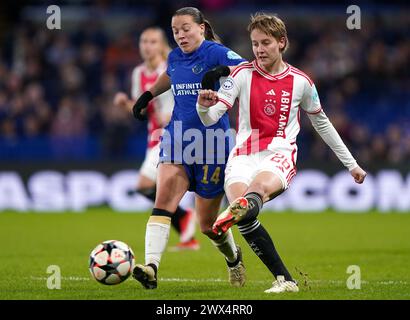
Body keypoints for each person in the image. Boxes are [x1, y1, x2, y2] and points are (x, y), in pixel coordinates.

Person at [196, 13, 367, 293]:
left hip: (279, 154)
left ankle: (236, 212)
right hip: (242, 155)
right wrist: (203, 106)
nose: (259, 50)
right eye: (254, 44)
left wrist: (352, 165)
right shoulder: (240, 75)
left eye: (265, 43)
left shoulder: (301, 82)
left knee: (254, 193)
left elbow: (322, 123)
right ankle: (286, 281)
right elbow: (211, 116)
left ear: (281, 42)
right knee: (245, 213)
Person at [131, 7, 247, 289]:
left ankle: (234, 260)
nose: (180, 35)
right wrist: (147, 95)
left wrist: (220, 71)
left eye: (185, 28)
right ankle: (151, 268)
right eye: (175, 30)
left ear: (201, 28)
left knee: (208, 225)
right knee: (162, 204)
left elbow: (246, 69)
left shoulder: (215, 52)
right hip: (177, 140)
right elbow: (170, 77)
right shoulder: (173, 57)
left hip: (212, 146)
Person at [113, 27, 199, 251]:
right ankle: (187, 231)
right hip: (153, 137)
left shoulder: (172, 69)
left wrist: (170, 114)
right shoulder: (138, 73)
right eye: (143, 41)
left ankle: (184, 217)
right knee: (156, 188)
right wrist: (126, 105)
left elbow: (188, 99)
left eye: (152, 42)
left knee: (144, 185)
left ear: (162, 46)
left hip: (174, 134)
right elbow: (141, 110)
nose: (147, 46)